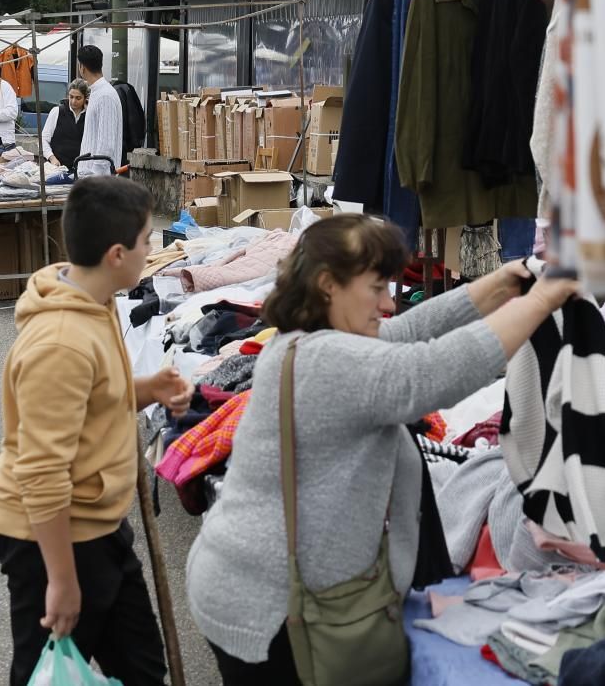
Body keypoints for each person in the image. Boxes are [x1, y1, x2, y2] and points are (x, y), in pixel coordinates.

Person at [184, 216, 580, 683]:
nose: (389, 302)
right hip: (267, 607)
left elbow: (407, 332)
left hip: (253, 584)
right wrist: (540, 301)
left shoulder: (302, 344)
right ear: (329, 286)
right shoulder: (326, 361)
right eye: (377, 288)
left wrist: (498, 286)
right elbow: (430, 371)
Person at [0, 175, 189, 686]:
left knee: (143, 667)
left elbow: (96, 397)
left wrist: (147, 388)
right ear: (117, 254)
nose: (152, 249)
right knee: (47, 675)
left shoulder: (95, 301)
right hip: (52, 536)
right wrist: (61, 580)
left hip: (97, 523)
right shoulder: (60, 343)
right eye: (147, 240)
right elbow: (42, 469)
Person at [74, 45, 122, 176]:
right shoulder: (97, 92)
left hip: (99, 180)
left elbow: (106, 144)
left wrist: (95, 176)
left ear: (82, 67)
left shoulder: (105, 95)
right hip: (89, 175)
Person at [40, 80, 88, 169]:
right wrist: (52, 158)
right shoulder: (57, 111)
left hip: (81, 169)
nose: (73, 101)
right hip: (56, 167)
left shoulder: (89, 115)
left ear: (85, 98)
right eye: (71, 97)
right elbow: (43, 139)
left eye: (78, 98)